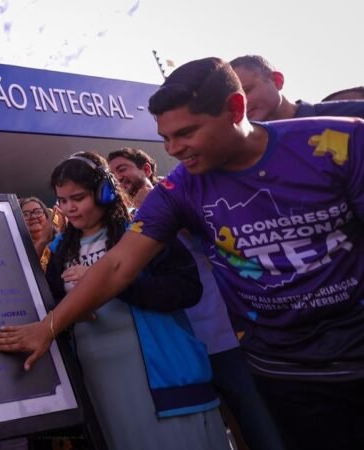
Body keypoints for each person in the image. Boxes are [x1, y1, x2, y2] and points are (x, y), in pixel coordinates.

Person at [0, 57, 364, 450]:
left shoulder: (339, 143)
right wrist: (47, 328)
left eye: (186, 132)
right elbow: (118, 263)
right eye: (165, 137)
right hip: (283, 371)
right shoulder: (180, 189)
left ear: (235, 109)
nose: (173, 149)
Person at [39, 151, 226, 450]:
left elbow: (186, 289)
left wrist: (109, 281)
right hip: (99, 377)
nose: (69, 208)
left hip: (162, 372)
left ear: (104, 192)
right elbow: (54, 308)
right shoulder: (59, 249)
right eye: (62, 200)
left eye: (78, 198)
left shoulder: (143, 233)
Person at [108, 147, 284, 450]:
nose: (118, 177)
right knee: (221, 431)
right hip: (181, 345)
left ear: (147, 169)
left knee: (259, 424)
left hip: (225, 339)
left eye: (123, 168)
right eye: (112, 173)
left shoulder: (186, 199)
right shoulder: (125, 225)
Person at [230, 55, 364, 120]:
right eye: (230, 103)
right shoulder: (240, 156)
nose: (241, 103)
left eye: (247, 90)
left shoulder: (352, 115)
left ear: (276, 80)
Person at [20, 197, 55, 272]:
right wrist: (42, 241)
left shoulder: (61, 242)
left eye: (38, 212)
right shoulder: (18, 248)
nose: (33, 217)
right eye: (25, 214)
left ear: (47, 216)